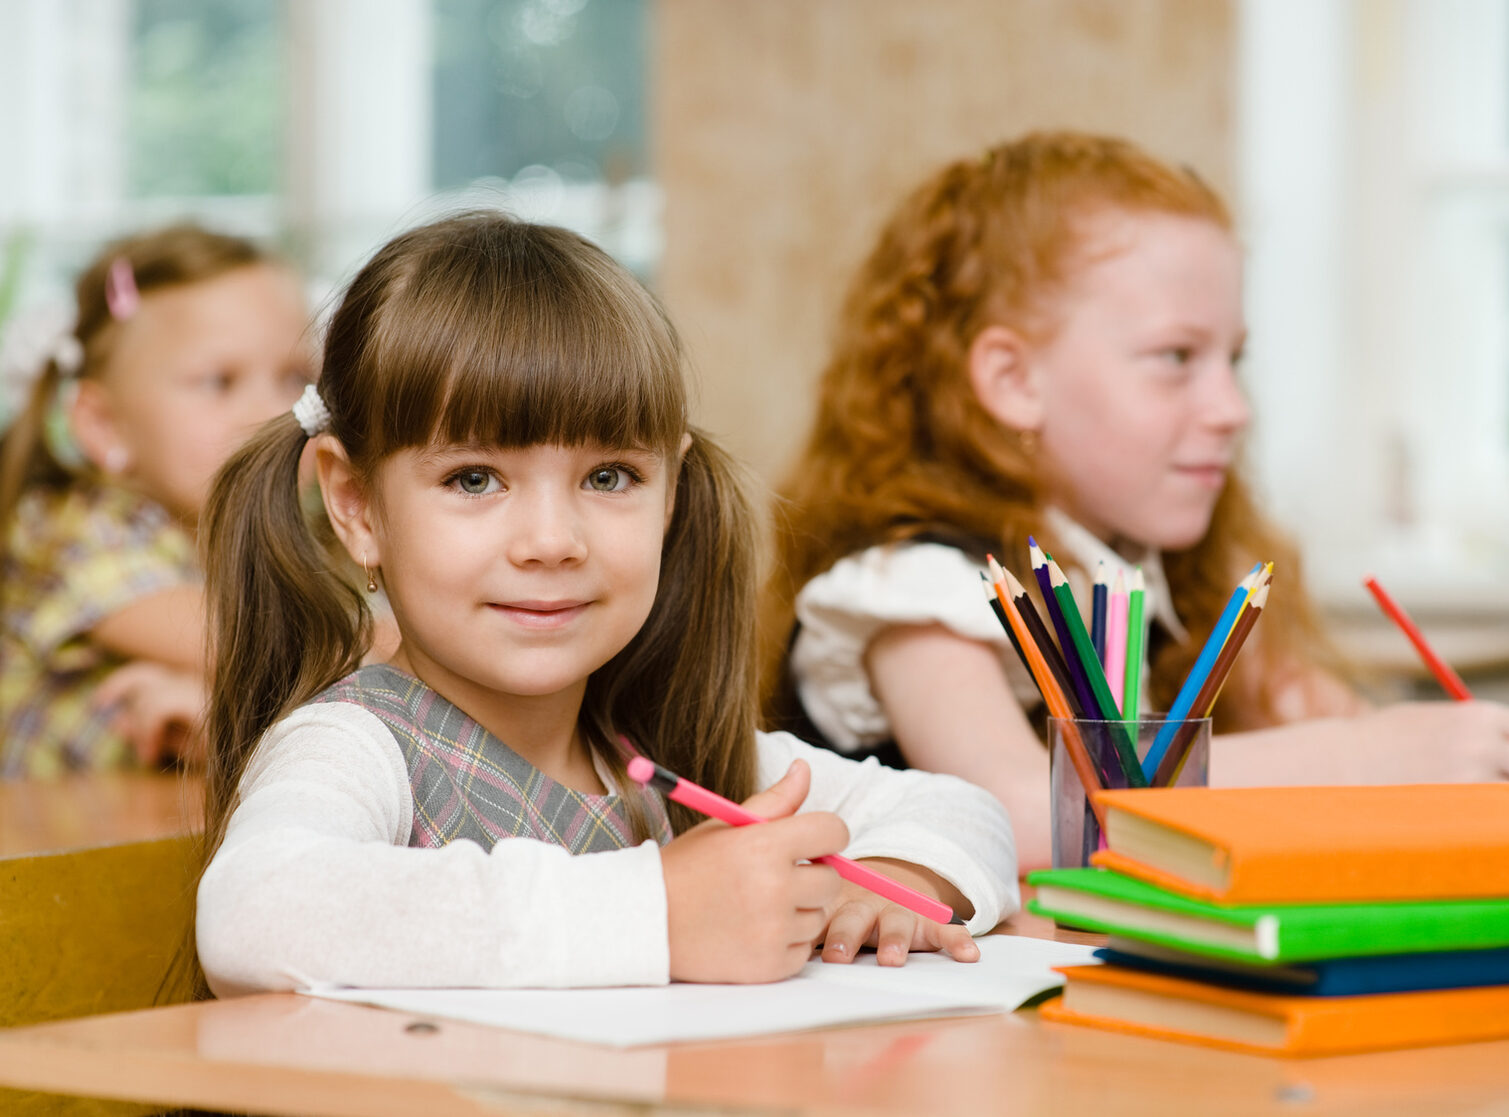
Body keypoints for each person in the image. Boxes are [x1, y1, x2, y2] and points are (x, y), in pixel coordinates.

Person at [193, 213, 1017, 994]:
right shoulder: (357, 746)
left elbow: (959, 807)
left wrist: (898, 879)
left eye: (609, 477)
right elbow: (255, 911)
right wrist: (661, 910)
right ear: (357, 505)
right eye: (473, 479)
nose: (552, 540)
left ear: (669, 495)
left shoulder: (660, 757)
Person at [761, 131, 1509, 873]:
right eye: (1176, 356)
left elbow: (1326, 718)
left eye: (1232, 360)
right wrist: (1360, 757)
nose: (1231, 408)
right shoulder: (918, 588)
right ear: (1012, 381)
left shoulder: (1182, 570)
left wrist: (1429, 749)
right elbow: (1009, 810)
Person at [0, 224, 316, 778]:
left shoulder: (313, 536)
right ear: (104, 425)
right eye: (219, 381)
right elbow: (268, 642)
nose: (276, 413)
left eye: (296, 377)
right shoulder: (71, 532)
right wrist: (423, 641)